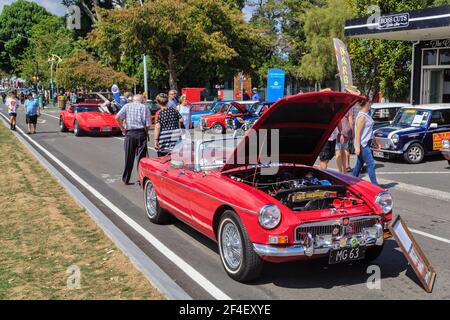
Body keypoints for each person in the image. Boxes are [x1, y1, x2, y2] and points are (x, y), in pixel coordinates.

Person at [115, 94, 150, 185]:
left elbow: (117, 117)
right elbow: (147, 124)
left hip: (130, 133)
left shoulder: (127, 106)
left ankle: (126, 178)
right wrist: (146, 133)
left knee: (129, 157)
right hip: (141, 133)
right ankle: (140, 179)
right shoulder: (144, 107)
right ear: (141, 100)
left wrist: (122, 128)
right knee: (141, 158)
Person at [352, 99, 378, 185]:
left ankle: (350, 182)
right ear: (366, 103)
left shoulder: (366, 115)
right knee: (371, 164)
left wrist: (374, 140)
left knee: (359, 165)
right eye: (370, 102)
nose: (371, 104)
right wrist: (357, 147)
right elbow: (358, 133)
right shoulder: (362, 117)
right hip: (363, 144)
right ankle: (375, 186)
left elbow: (369, 130)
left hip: (366, 143)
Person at [154, 93, 183, 157]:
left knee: (163, 159)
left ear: (158, 102)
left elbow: (157, 127)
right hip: (176, 136)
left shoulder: (160, 113)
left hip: (164, 138)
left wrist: (155, 139)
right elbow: (181, 120)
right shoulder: (174, 110)